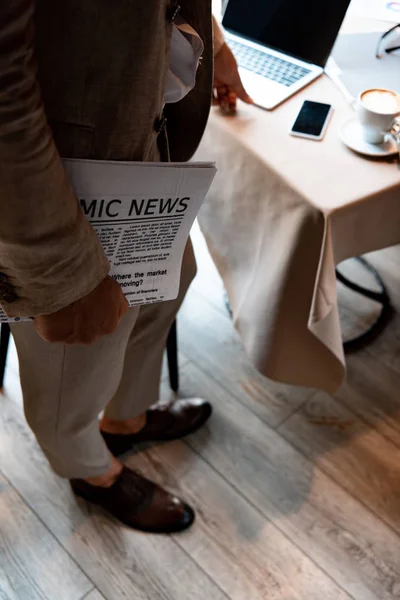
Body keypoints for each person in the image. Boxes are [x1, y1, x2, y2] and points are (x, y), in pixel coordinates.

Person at [0, 1, 251, 534]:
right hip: (53, 190)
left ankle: (126, 418)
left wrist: (216, 47)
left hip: (141, 151)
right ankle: (89, 471)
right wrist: (60, 275)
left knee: (170, 284)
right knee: (68, 376)